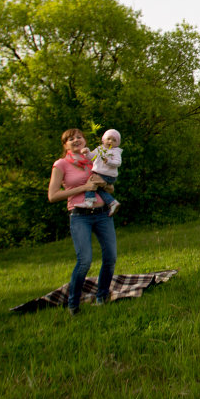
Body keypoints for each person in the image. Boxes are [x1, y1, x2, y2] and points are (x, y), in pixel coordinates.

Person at [48, 128, 117, 314]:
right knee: (85, 260)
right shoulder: (61, 164)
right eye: (71, 139)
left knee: (110, 257)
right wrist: (83, 188)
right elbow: (52, 196)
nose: (76, 140)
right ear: (65, 145)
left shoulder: (94, 159)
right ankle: (73, 303)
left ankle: (102, 296)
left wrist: (104, 184)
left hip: (103, 213)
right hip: (80, 216)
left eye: (79, 137)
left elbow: (109, 189)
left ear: (85, 140)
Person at [82, 128, 123, 216]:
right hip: (102, 174)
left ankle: (89, 201)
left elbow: (118, 163)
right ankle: (112, 202)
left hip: (107, 175)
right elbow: (91, 157)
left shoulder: (115, 151)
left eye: (114, 140)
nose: (110, 141)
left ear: (117, 143)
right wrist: (87, 152)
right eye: (108, 139)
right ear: (103, 140)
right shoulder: (100, 148)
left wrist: (108, 161)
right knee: (100, 189)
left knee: (92, 181)